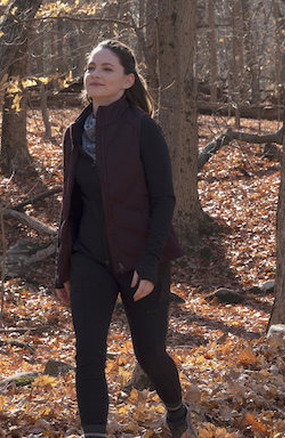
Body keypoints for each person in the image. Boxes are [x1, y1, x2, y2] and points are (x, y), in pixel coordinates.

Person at [54, 40, 196, 438]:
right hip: (88, 260)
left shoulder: (143, 129)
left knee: (149, 354)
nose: (95, 74)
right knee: (89, 356)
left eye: (107, 69)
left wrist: (150, 263)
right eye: (91, 67)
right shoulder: (74, 132)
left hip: (141, 259)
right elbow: (70, 207)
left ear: (127, 80)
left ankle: (177, 411)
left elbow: (164, 199)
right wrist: (62, 267)